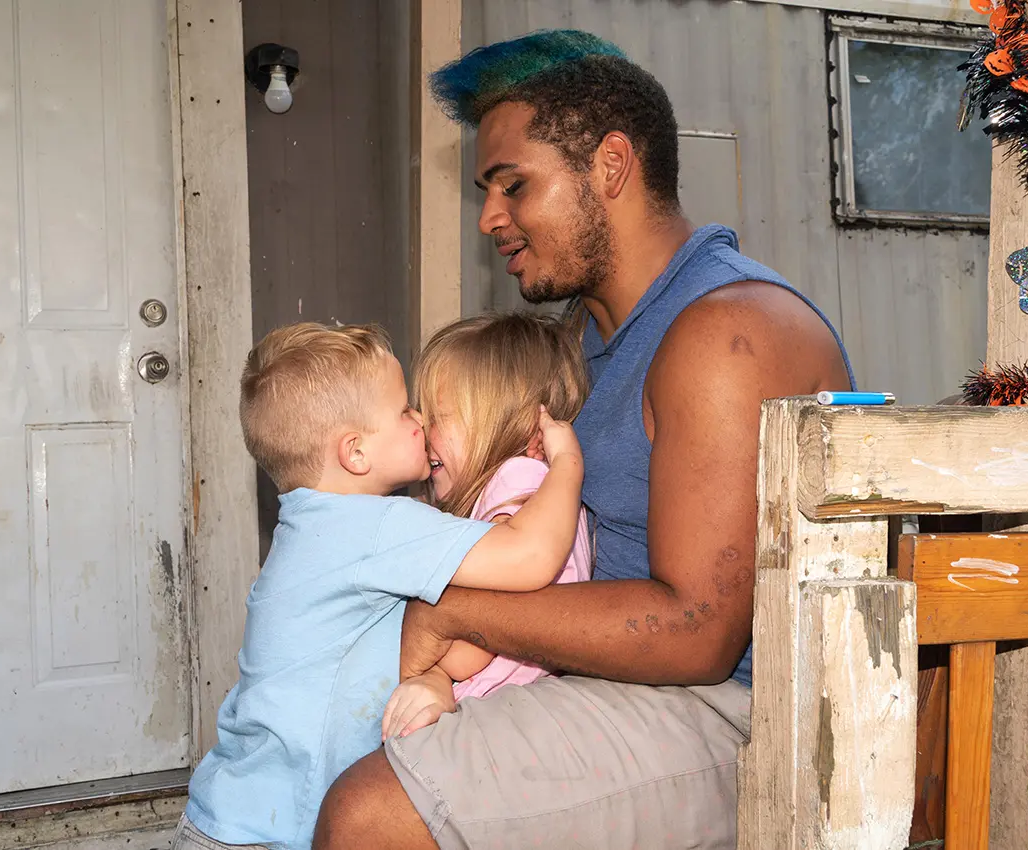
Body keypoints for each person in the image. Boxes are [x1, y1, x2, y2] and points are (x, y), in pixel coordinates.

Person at [313, 29, 855, 849]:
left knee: (368, 816)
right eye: (486, 192)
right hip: (604, 681)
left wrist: (455, 614)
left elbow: (698, 633)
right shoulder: (588, 333)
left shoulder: (727, 333)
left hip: (732, 717)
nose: (491, 217)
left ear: (609, 166)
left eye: (512, 185)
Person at [172, 322, 583, 850]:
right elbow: (530, 556)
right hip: (274, 831)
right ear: (356, 453)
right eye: (406, 411)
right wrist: (567, 466)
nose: (421, 422)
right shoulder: (377, 529)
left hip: (228, 813)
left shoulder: (312, 526)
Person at [383, 313, 593, 741]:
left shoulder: (520, 482)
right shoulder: (542, 493)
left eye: (439, 417)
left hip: (509, 719)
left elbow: (469, 651)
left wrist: (433, 672)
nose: (423, 429)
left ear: (508, 425)